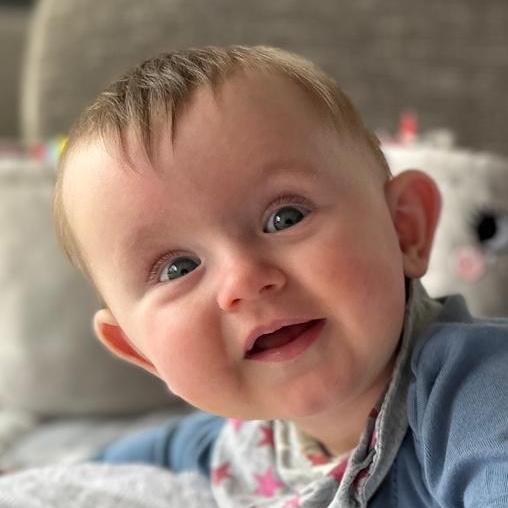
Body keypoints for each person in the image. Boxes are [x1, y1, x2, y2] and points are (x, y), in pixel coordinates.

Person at [53, 46, 508, 507]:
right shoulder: (243, 447)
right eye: (178, 268)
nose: (243, 280)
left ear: (404, 228)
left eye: (285, 217)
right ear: (141, 351)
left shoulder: (478, 393)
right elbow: (123, 463)